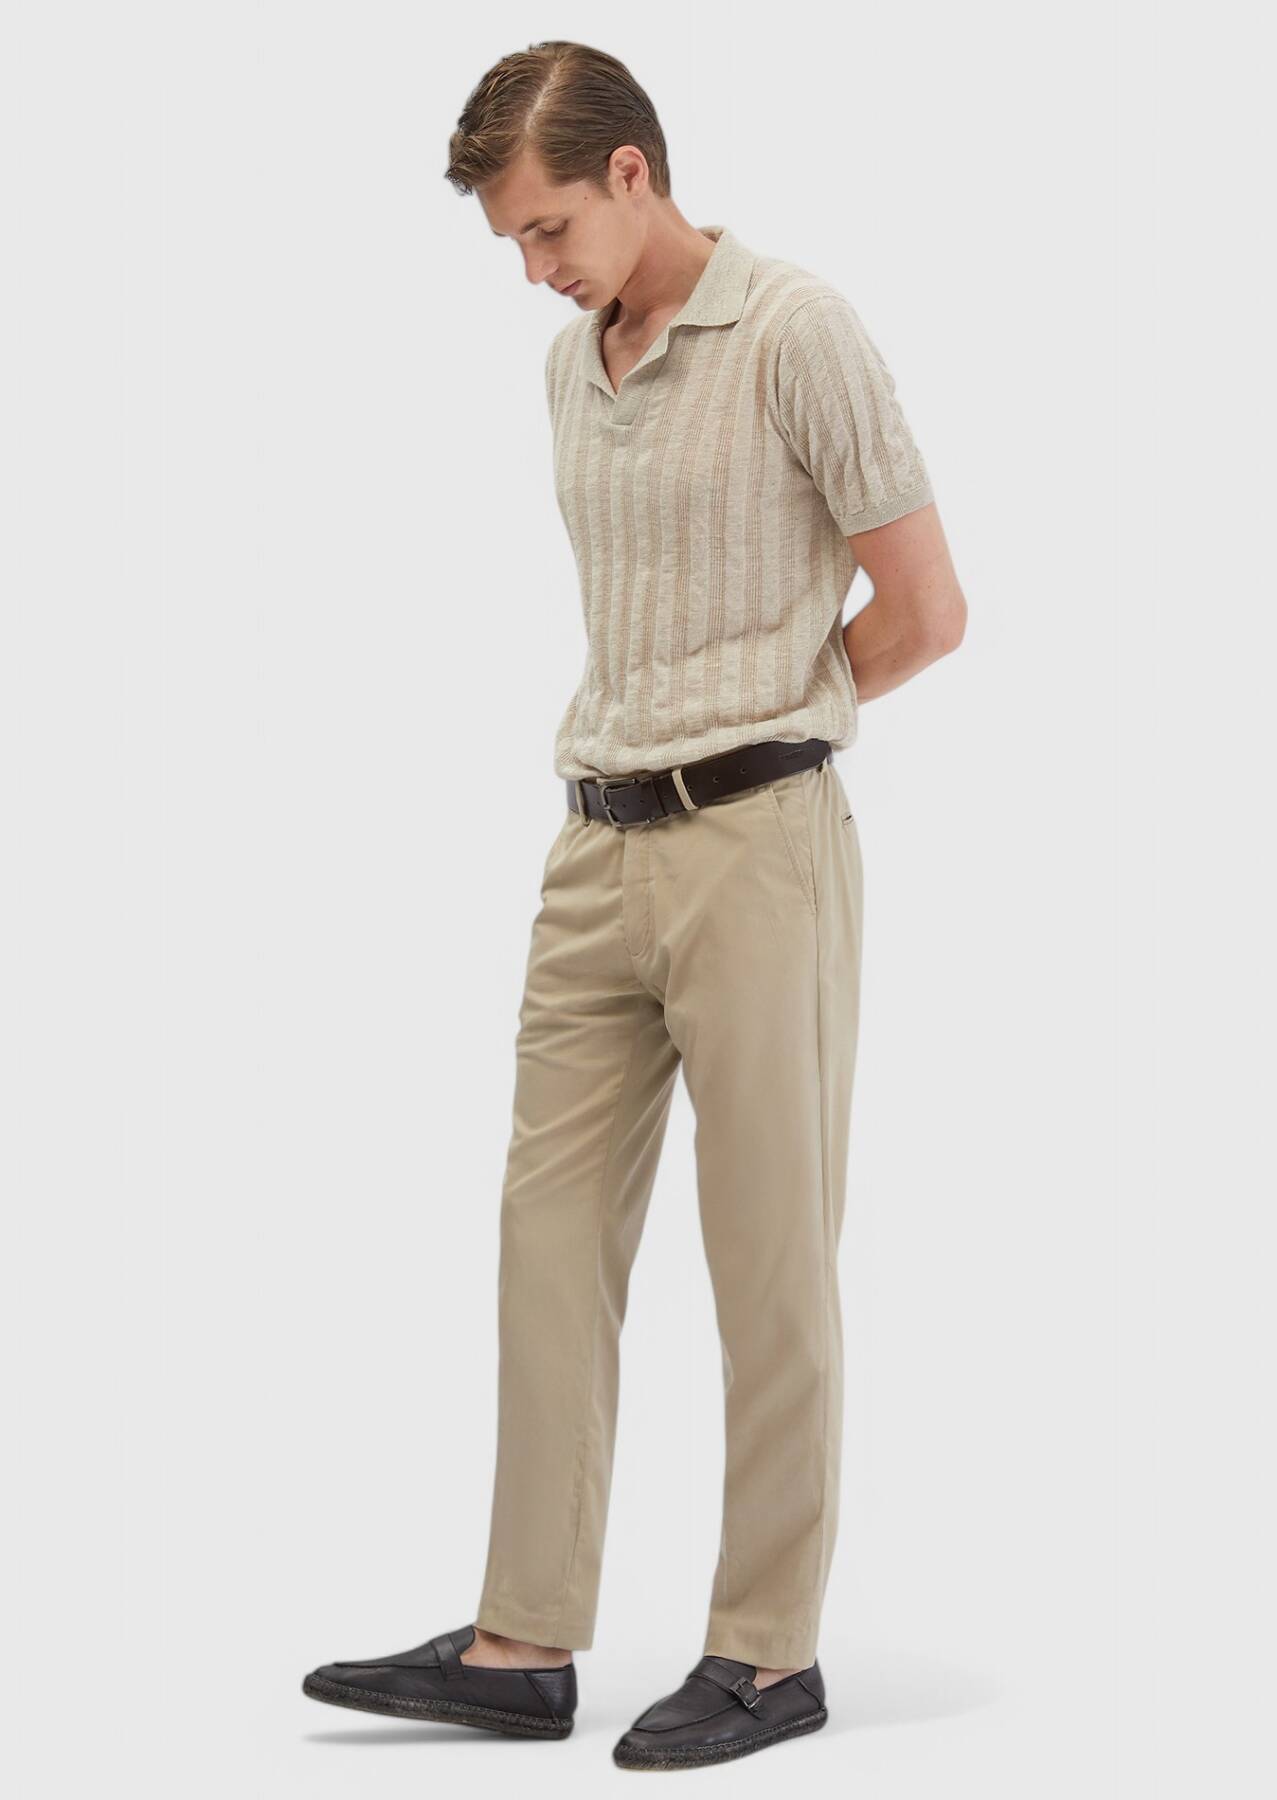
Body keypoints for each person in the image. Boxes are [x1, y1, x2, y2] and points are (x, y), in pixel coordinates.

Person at [302, 39, 966, 1771]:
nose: (534, 268)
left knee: (767, 1258)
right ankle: (522, 1642)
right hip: (593, 845)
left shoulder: (798, 331)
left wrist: (773, 709)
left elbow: (925, 609)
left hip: (757, 846)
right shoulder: (567, 365)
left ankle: (767, 1652)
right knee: (545, 1244)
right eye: (510, 243)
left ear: (631, 172)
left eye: (546, 229)